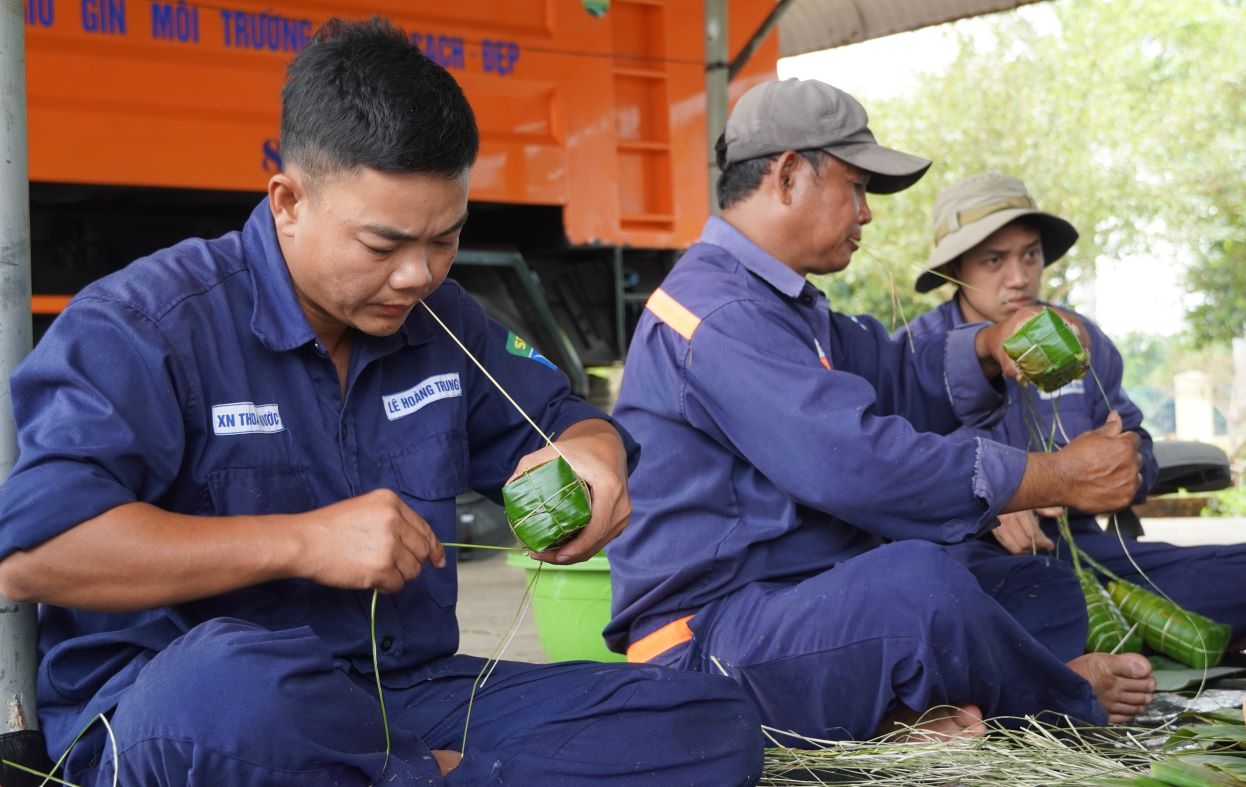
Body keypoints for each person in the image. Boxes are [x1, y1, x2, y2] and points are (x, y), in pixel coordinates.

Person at [0, 18, 764, 786]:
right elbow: (32, 554)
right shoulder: (146, 326)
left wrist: (592, 460)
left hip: (407, 697)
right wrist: (303, 541)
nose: (418, 275)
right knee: (221, 690)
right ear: (288, 200)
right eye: (384, 245)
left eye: (446, 238)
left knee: (710, 722)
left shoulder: (443, 322)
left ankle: (416, 774)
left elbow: (564, 415)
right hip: (196, 716)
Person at [605, 78, 1156, 743]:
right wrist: (1057, 476)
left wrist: (987, 347)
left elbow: (894, 372)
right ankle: (1061, 699)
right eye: (857, 187)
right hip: (711, 639)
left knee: (1038, 587)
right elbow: (860, 465)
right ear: (786, 176)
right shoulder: (720, 313)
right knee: (919, 582)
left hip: (797, 610)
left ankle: (911, 713)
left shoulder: (786, 305)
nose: (867, 214)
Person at [900, 171, 1246, 648]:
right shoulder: (912, 355)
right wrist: (981, 505)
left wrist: (1114, 470)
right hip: (970, 564)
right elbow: (890, 475)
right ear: (954, 270)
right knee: (959, 613)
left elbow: (1137, 447)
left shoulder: (1080, 338)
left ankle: (1092, 636)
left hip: (1085, 552)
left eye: (1031, 254)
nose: (1019, 277)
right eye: (994, 260)